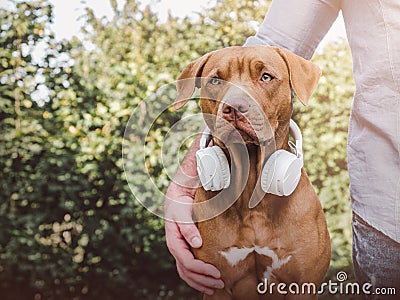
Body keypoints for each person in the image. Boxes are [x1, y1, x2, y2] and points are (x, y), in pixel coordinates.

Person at [164, 0, 400, 297]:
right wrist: (186, 181)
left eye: (265, 77)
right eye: (216, 82)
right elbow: (277, 39)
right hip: (387, 208)